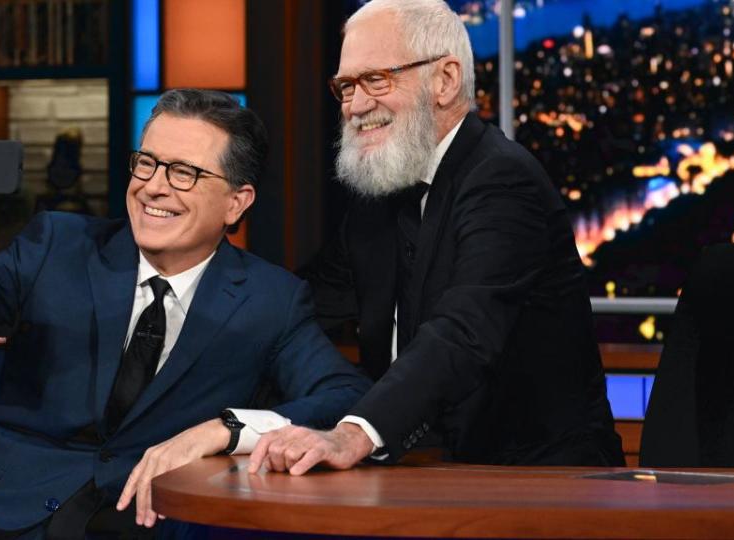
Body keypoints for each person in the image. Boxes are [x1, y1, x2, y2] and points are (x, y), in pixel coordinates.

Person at [0, 89, 370, 539]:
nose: (153, 186)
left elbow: (345, 397)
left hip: (137, 518)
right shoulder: (56, 246)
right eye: (146, 163)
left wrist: (227, 430)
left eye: (184, 172)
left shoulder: (270, 300)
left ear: (237, 203)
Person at [249, 0, 623, 476]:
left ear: (445, 81)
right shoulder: (379, 195)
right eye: (345, 87)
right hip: (420, 471)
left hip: (544, 481)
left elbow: (464, 331)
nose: (356, 105)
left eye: (376, 80)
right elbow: (303, 305)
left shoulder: (504, 180)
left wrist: (352, 434)